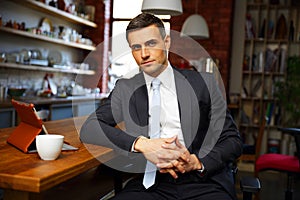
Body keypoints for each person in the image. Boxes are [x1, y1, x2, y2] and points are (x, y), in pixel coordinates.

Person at [80, 13, 243, 200]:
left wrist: (196, 162)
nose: (144, 54)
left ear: (166, 42)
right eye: (136, 47)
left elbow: (232, 140)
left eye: (150, 43)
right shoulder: (126, 88)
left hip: (202, 181)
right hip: (151, 184)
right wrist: (142, 144)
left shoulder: (202, 83)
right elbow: (90, 127)